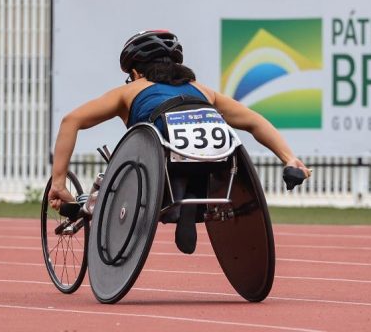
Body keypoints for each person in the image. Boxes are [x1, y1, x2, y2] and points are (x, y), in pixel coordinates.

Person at [48, 29, 311, 254]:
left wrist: (58, 182)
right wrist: (289, 158)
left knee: (135, 163)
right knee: (187, 159)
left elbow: (71, 121)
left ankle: (90, 204)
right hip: (215, 167)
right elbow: (254, 121)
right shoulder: (203, 91)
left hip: (159, 163)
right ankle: (192, 201)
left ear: (137, 71)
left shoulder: (131, 90)